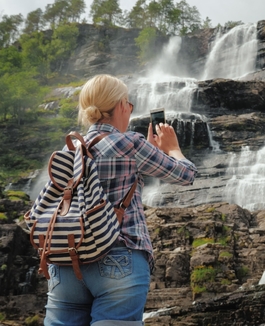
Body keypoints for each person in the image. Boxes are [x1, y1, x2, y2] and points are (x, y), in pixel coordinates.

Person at [43, 74, 197, 326]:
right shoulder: (130, 143)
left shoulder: (68, 151)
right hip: (119, 258)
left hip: (65, 261)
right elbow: (186, 175)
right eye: (129, 104)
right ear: (121, 105)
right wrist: (172, 148)